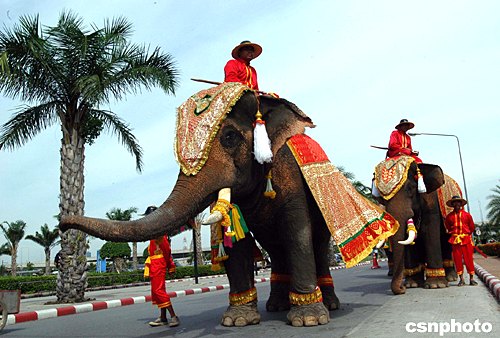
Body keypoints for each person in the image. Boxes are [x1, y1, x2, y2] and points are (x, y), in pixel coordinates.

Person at [142, 205, 180, 327]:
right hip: (154, 266)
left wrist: (171, 266)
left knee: (159, 291)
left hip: (159, 266)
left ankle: (174, 316)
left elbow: (167, 252)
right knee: (156, 291)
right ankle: (163, 317)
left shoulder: (160, 236)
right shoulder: (153, 235)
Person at [444, 196, 478, 286]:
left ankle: (471, 279)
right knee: (457, 260)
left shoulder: (467, 215)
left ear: (461, 204)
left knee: (469, 259)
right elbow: (447, 226)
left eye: (458, 202)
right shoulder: (449, 216)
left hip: (466, 240)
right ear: (452, 205)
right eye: (455, 203)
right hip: (455, 241)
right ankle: (461, 279)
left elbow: (471, 227)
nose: (457, 204)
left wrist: (465, 235)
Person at [387, 118, 426, 193]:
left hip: (407, 154)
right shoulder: (395, 133)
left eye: (407, 126)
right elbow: (392, 144)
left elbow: (410, 149)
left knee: (418, 160)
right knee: (405, 153)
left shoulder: (408, 137)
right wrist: (404, 149)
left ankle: (418, 177)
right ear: (400, 126)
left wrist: (413, 152)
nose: (406, 127)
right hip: (396, 152)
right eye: (404, 125)